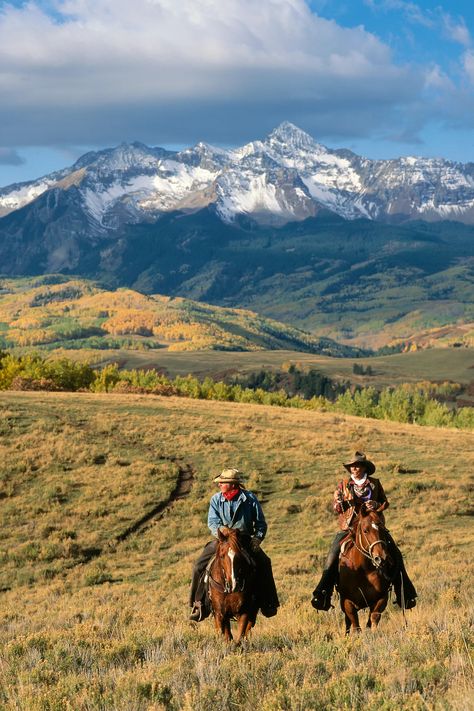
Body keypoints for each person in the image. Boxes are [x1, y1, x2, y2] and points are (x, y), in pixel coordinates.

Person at [311, 452, 417, 611]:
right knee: (332, 555)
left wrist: (376, 505)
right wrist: (338, 501)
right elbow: (337, 508)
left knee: (395, 553)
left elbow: (385, 503)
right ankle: (323, 593)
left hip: (372, 525)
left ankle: (404, 592)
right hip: (350, 526)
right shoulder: (343, 484)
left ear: (363, 467)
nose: (353, 468)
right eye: (351, 466)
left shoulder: (374, 483)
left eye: (357, 465)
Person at [189, 467, 280, 621]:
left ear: (232, 484)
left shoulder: (250, 499)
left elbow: (260, 524)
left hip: (245, 540)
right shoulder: (216, 499)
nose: (220, 485)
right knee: (198, 565)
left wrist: (257, 539)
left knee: (265, 562)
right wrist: (222, 529)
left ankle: (269, 602)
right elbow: (212, 522)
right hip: (222, 540)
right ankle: (198, 604)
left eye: (223, 482)